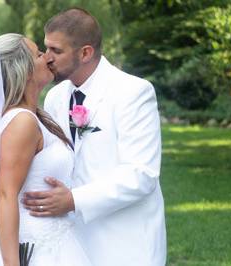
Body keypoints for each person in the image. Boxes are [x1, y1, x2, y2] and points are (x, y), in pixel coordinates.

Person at [22, 8, 167, 266]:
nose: (46, 58)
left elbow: (141, 174)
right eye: (46, 49)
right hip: (71, 243)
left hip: (125, 242)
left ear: (86, 52)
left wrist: (74, 200)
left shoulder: (133, 92)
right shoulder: (56, 97)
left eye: (56, 51)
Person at [0, 34, 92, 266]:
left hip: (58, 240)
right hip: (36, 249)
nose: (48, 58)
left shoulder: (34, 116)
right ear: (25, 70)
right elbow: (5, 195)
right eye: (39, 54)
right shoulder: (22, 122)